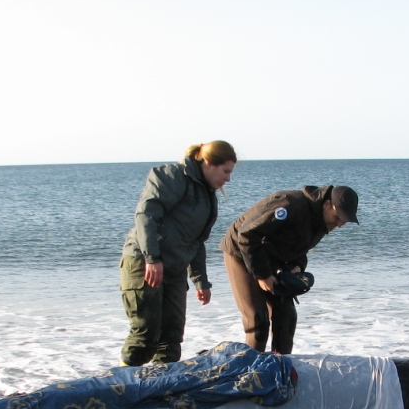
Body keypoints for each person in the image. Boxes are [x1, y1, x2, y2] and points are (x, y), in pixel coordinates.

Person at [119, 141, 237, 366]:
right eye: (226, 171)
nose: (228, 179)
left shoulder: (207, 194)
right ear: (209, 163)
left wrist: (201, 281)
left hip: (175, 268)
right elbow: (146, 216)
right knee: (145, 336)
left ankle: (160, 389)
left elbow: (197, 241)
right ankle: (122, 387)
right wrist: (152, 258)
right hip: (143, 262)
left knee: (171, 339)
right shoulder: (172, 176)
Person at [220, 185, 359, 353]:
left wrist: (298, 266)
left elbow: (300, 249)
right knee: (258, 322)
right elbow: (247, 235)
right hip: (241, 252)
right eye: (338, 217)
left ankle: (279, 370)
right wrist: (263, 275)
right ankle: (251, 373)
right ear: (327, 204)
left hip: (272, 258)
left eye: (344, 220)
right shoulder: (291, 205)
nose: (340, 224)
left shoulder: (323, 220)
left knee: (286, 318)